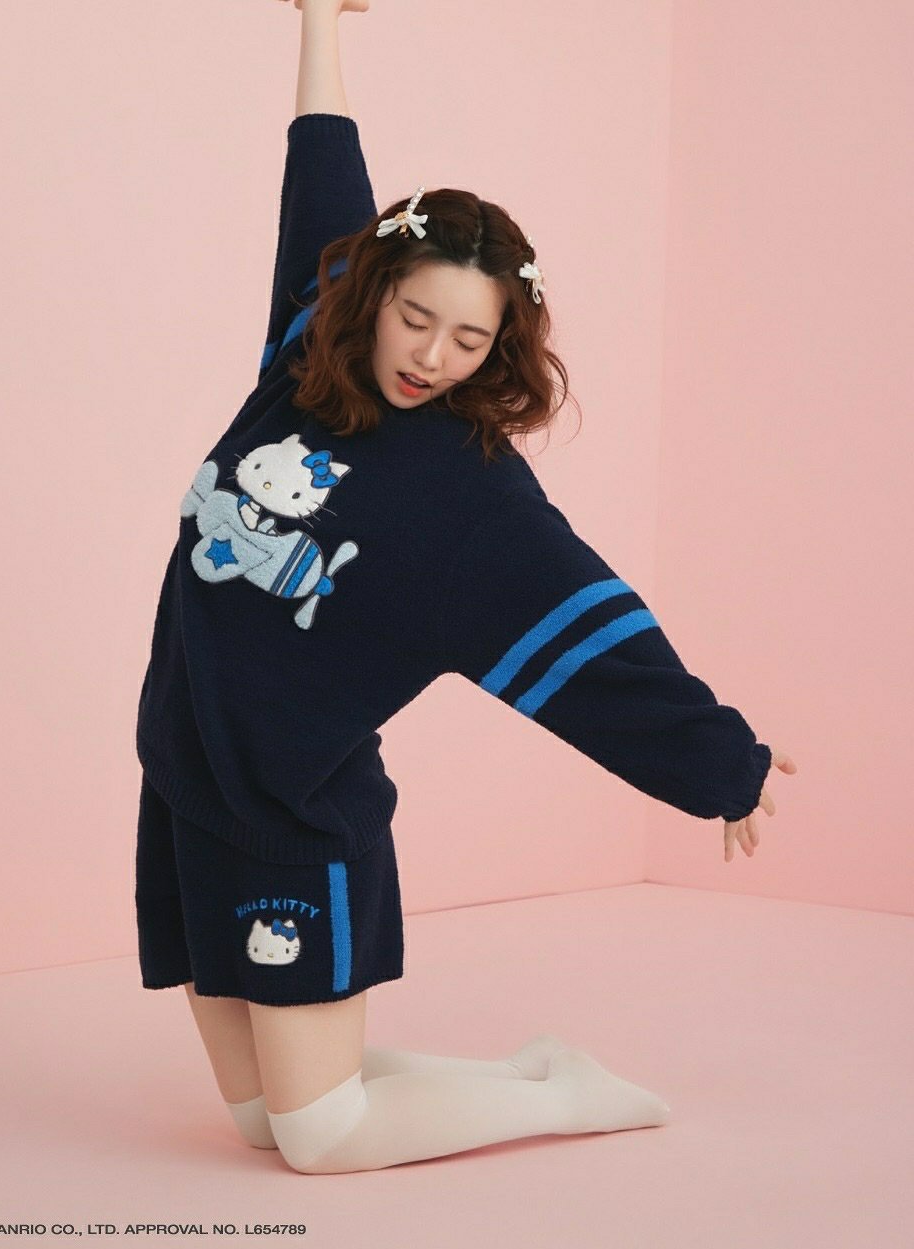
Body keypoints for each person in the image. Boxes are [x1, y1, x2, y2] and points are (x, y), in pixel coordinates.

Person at [133, 0, 798, 1175]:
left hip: (294, 815)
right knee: (259, 1121)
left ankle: (573, 1097)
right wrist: (320, 21)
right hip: (189, 780)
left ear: (502, 345)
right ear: (371, 293)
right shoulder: (307, 346)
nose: (431, 357)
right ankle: (530, 1070)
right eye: (415, 318)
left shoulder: (470, 498)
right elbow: (323, 168)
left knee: (319, 1139)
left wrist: (720, 763)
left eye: (470, 341)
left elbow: (595, 634)